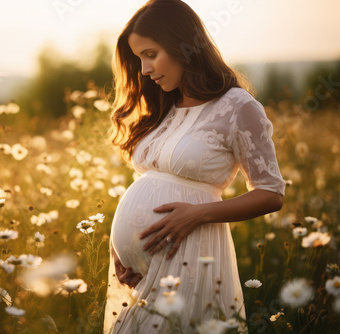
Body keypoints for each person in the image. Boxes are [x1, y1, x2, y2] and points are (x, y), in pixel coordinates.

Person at [103, 0, 286, 333]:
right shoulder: (164, 105)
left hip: (191, 252)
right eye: (138, 58)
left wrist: (196, 214)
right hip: (140, 270)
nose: (144, 70)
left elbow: (272, 193)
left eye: (150, 54)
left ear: (182, 44)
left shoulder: (237, 106)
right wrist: (120, 251)